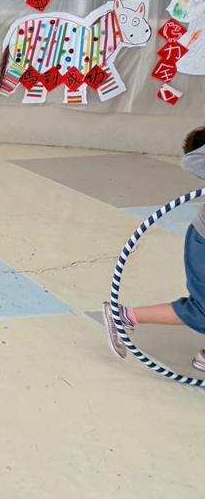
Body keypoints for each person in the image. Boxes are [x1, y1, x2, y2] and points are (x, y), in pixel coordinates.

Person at [103, 125, 205, 373]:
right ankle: (123, 316)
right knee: (203, 311)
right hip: (203, 243)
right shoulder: (198, 158)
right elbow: (191, 161)